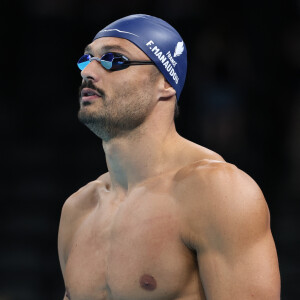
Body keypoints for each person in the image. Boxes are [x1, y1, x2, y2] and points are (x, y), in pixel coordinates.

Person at [58, 14, 281, 300]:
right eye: (86, 58)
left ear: (165, 84)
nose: (88, 71)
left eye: (114, 59)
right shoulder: (78, 210)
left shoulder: (218, 192)